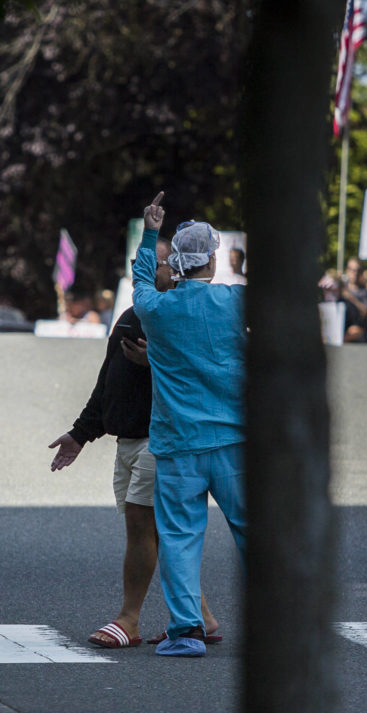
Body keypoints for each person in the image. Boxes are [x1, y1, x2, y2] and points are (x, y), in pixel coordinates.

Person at [48, 237, 218, 649]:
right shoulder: (130, 316)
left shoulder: (181, 315)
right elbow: (109, 382)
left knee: (143, 530)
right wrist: (81, 433)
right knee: (159, 534)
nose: (143, 267)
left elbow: (201, 378)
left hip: (162, 442)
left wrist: (155, 361)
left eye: (154, 262)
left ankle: (129, 619)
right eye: (139, 260)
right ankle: (203, 617)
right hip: (129, 443)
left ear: (175, 268)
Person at [132, 192, 246, 657]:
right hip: (235, 439)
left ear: (177, 263)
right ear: (212, 261)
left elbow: (141, 278)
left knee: (179, 536)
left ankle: (186, 631)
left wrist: (149, 231)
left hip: (178, 442)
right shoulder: (237, 303)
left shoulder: (156, 310)